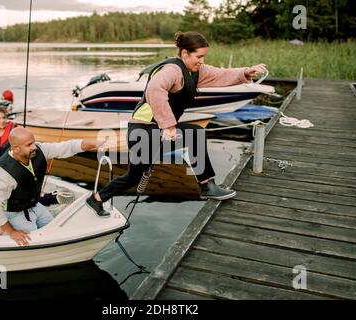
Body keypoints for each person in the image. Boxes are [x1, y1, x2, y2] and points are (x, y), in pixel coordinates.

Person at [86, 31, 267, 217]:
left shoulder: (195, 70)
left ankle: (96, 199)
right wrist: (169, 126)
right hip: (143, 130)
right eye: (199, 56)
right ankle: (207, 186)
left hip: (152, 131)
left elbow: (220, 74)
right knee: (195, 135)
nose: (202, 61)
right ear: (185, 53)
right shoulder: (172, 70)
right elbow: (155, 90)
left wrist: (245, 71)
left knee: (133, 176)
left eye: (204, 56)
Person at [0, 127, 106, 246]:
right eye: (29, 145)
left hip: (34, 205)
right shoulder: (3, 174)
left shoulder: (39, 150)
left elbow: (68, 147)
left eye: (33, 142)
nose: (34, 147)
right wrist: (12, 232)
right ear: (16, 149)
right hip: (12, 212)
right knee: (31, 242)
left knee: (53, 232)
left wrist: (93, 143)